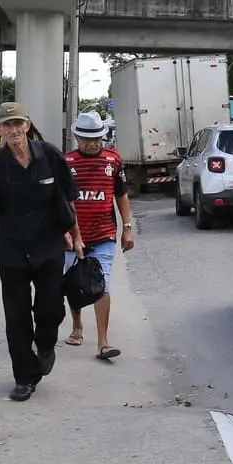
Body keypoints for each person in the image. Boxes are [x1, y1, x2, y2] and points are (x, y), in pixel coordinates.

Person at [0, 102, 85, 402]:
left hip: (49, 248)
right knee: (16, 317)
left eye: (17, 123)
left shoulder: (49, 155)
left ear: (27, 124)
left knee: (51, 310)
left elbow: (68, 200)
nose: (13, 130)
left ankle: (45, 345)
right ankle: (24, 377)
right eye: (6, 125)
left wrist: (77, 236)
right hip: (12, 253)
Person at [63, 111, 134, 360]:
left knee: (101, 284)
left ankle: (103, 342)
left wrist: (127, 227)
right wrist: (66, 232)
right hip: (72, 236)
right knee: (75, 284)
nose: (92, 143)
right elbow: (60, 201)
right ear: (76, 137)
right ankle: (77, 326)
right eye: (86, 138)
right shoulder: (66, 162)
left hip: (104, 234)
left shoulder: (113, 161)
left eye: (97, 138)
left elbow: (121, 194)